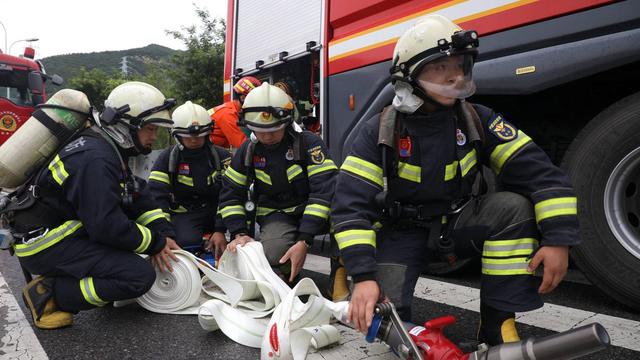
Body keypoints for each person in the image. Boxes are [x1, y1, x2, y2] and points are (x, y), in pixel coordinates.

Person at [331, 14, 579, 345]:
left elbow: (539, 173)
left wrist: (557, 239)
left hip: (456, 224)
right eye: (440, 68)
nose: (455, 77)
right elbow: (349, 207)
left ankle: (497, 323)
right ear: (410, 75)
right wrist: (363, 276)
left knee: (512, 208)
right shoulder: (378, 130)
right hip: (400, 231)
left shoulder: (478, 119)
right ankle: (347, 271)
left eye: (460, 66)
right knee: (391, 330)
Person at [13, 81, 181, 329]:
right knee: (137, 276)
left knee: (131, 244)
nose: (153, 137)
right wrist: (155, 243)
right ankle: (48, 294)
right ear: (128, 126)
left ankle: (71, 280)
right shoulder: (96, 158)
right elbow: (106, 226)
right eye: (150, 129)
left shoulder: (107, 147)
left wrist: (163, 233)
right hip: (44, 242)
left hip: (59, 230)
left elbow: (137, 193)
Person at [218, 83, 337, 284]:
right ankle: (286, 271)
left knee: (344, 215)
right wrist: (239, 233)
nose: (266, 136)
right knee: (273, 254)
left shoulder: (308, 143)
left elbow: (324, 191)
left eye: (273, 130)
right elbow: (230, 193)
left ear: (287, 122)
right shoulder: (249, 149)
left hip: (314, 211)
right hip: (278, 213)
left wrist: (304, 240)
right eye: (259, 130)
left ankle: (339, 272)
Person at [149, 101, 231, 257]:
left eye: (199, 135)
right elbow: (157, 197)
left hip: (218, 212)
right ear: (176, 135)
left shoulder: (223, 158)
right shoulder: (167, 158)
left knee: (237, 237)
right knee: (185, 243)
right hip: (186, 213)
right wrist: (164, 233)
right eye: (188, 136)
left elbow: (230, 195)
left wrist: (220, 230)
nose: (194, 139)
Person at [208, 76, 262, 149]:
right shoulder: (227, 114)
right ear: (243, 98)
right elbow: (242, 144)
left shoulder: (231, 110)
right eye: (254, 100)